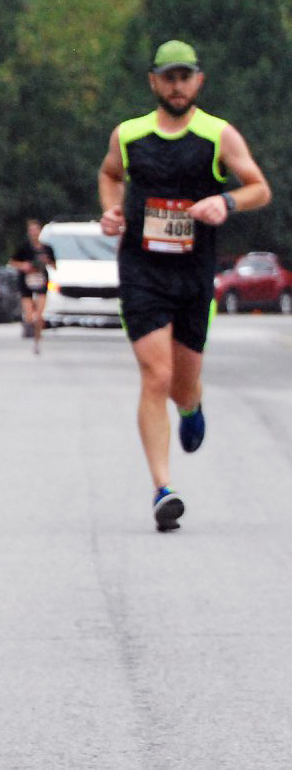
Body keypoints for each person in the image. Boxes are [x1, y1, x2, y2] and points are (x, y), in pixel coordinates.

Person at [99, 40, 272, 533]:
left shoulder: (218, 135)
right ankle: (162, 489)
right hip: (141, 272)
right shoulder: (129, 135)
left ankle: (192, 406)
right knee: (155, 376)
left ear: (199, 80)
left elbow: (258, 186)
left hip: (194, 274)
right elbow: (110, 174)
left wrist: (228, 204)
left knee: (181, 383)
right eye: (168, 77)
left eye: (185, 76)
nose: (177, 86)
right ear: (153, 81)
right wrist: (112, 210)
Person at [9, 218, 56, 354]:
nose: (33, 233)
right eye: (31, 230)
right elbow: (13, 262)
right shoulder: (24, 247)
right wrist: (24, 266)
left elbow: (55, 266)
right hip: (26, 282)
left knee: (39, 314)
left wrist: (46, 261)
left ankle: (37, 339)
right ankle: (29, 327)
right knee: (29, 316)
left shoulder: (47, 248)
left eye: (36, 230)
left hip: (41, 281)